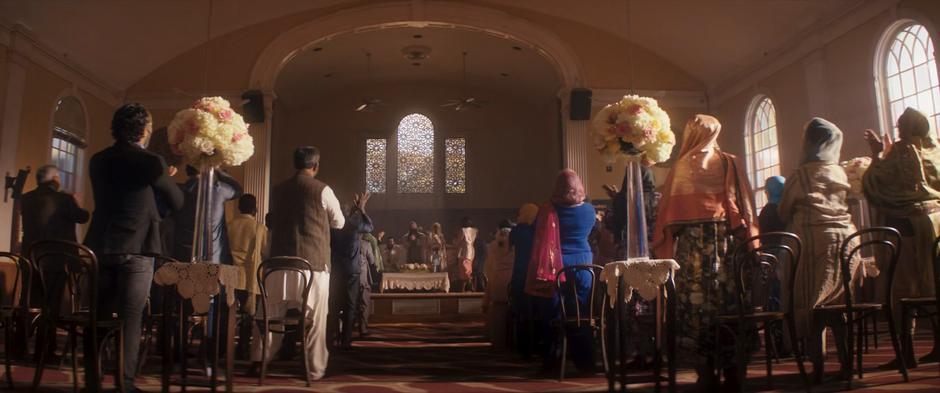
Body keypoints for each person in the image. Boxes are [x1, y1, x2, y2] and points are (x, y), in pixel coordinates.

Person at [83, 103, 184, 392]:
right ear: (145, 130)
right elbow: (176, 202)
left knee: (98, 318)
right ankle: (124, 384)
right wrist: (165, 178)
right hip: (137, 249)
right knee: (131, 318)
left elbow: (121, 193)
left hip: (100, 246)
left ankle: (92, 382)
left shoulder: (98, 160)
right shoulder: (152, 162)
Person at [652, 114, 757, 390]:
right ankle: (734, 368)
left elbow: (667, 216)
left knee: (696, 307)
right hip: (725, 246)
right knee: (729, 302)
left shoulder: (680, 167)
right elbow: (744, 202)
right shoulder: (728, 161)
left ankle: (704, 370)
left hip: (692, 250)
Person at [252, 146, 345, 381]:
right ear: (315, 166)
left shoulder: (278, 190)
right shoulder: (322, 190)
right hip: (312, 265)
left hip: (278, 262)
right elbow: (339, 222)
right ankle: (314, 368)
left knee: (269, 313)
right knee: (315, 319)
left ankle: (259, 360)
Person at [779, 118, 859, 381]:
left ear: (809, 143)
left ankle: (818, 365)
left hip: (814, 242)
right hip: (848, 241)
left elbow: (784, 210)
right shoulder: (839, 172)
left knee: (811, 305)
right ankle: (847, 363)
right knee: (839, 305)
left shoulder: (802, 174)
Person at [863, 107, 940, 368]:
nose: (898, 132)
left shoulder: (902, 150)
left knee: (902, 287)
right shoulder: (936, 149)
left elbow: (875, 183)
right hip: (936, 223)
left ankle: (906, 351)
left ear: (906, 129)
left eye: (899, 128)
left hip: (904, 224)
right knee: (935, 283)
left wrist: (876, 154)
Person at [527, 169, 597, 374]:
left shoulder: (547, 210)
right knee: (581, 313)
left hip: (555, 265)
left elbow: (536, 235)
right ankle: (585, 363)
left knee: (553, 315)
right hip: (585, 265)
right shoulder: (590, 211)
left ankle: (552, 362)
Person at [20, 164, 90, 360]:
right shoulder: (64, 199)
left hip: (30, 258)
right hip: (55, 260)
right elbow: (83, 217)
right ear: (54, 179)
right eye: (58, 177)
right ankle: (45, 350)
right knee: (50, 306)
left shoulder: (26, 199)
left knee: (30, 304)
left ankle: (20, 347)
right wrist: (76, 202)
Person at [329, 194, 373, 350]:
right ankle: (345, 341)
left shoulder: (332, 226)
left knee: (333, 305)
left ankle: (331, 338)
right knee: (350, 306)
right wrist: (361, 208)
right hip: (352, 271)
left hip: (335, 270)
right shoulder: (353, 224)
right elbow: (369, 227)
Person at [227, 193, 268, 358]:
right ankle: (242, 348)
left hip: (229, 276)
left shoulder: (229, 226)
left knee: (227, 313)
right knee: (248, 316)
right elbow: (266, 253)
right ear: (255, 209)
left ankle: (223, 345)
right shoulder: (259, 228)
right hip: (250, 278)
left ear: (239, 208)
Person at [173, 165, 243, 263]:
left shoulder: (178, 190)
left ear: (188, 171)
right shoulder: (218, 189)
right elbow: (238, 190)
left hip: (182, 256)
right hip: (214, 257)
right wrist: (218, 170)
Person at [509, 203, 539, 357]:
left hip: (520, 273)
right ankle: (536, 346)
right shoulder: (537, 231)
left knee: (522, 312)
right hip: (535, 273)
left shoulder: (516, 231)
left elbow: (510, 249)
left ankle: (523, 347)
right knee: (536, 312)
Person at [483, 219, 515, 349]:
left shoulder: (492, 245)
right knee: (511, 310)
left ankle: (498, 341)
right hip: (512, 278)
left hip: (496, 278)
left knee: (497, 310)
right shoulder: (515, 243)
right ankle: (511, 340)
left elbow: (488, 266)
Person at [357, 231, 379, 336]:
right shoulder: (365, 244)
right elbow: (372, 261)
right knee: (364, 303)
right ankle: (363, 328)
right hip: (362, 278)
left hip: (347, 279)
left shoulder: (345, 242)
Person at [453, 217, 479, 292]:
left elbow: (458, 242)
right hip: (471, 252)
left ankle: (467, 288)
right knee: (467, 270)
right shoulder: (474, 230)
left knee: (463, 272)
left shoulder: (463, 230)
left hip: (464, 252)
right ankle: (468, 288)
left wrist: (454, 240)